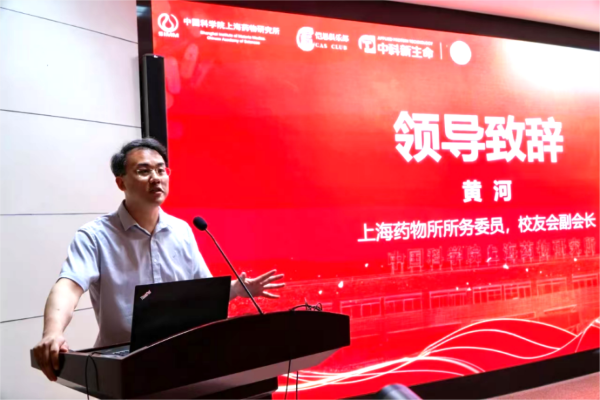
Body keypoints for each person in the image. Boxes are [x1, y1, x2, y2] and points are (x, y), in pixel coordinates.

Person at [33, 138, 285, 382]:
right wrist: (52, 333)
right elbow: (68, 286)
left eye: (161, 170)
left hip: (185, 359)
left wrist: (236, 289)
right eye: (143, 171)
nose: (156, 177)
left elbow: (203, 292)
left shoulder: (182, 230)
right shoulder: (95, 236)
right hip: (125, 365)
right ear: (121, 182)